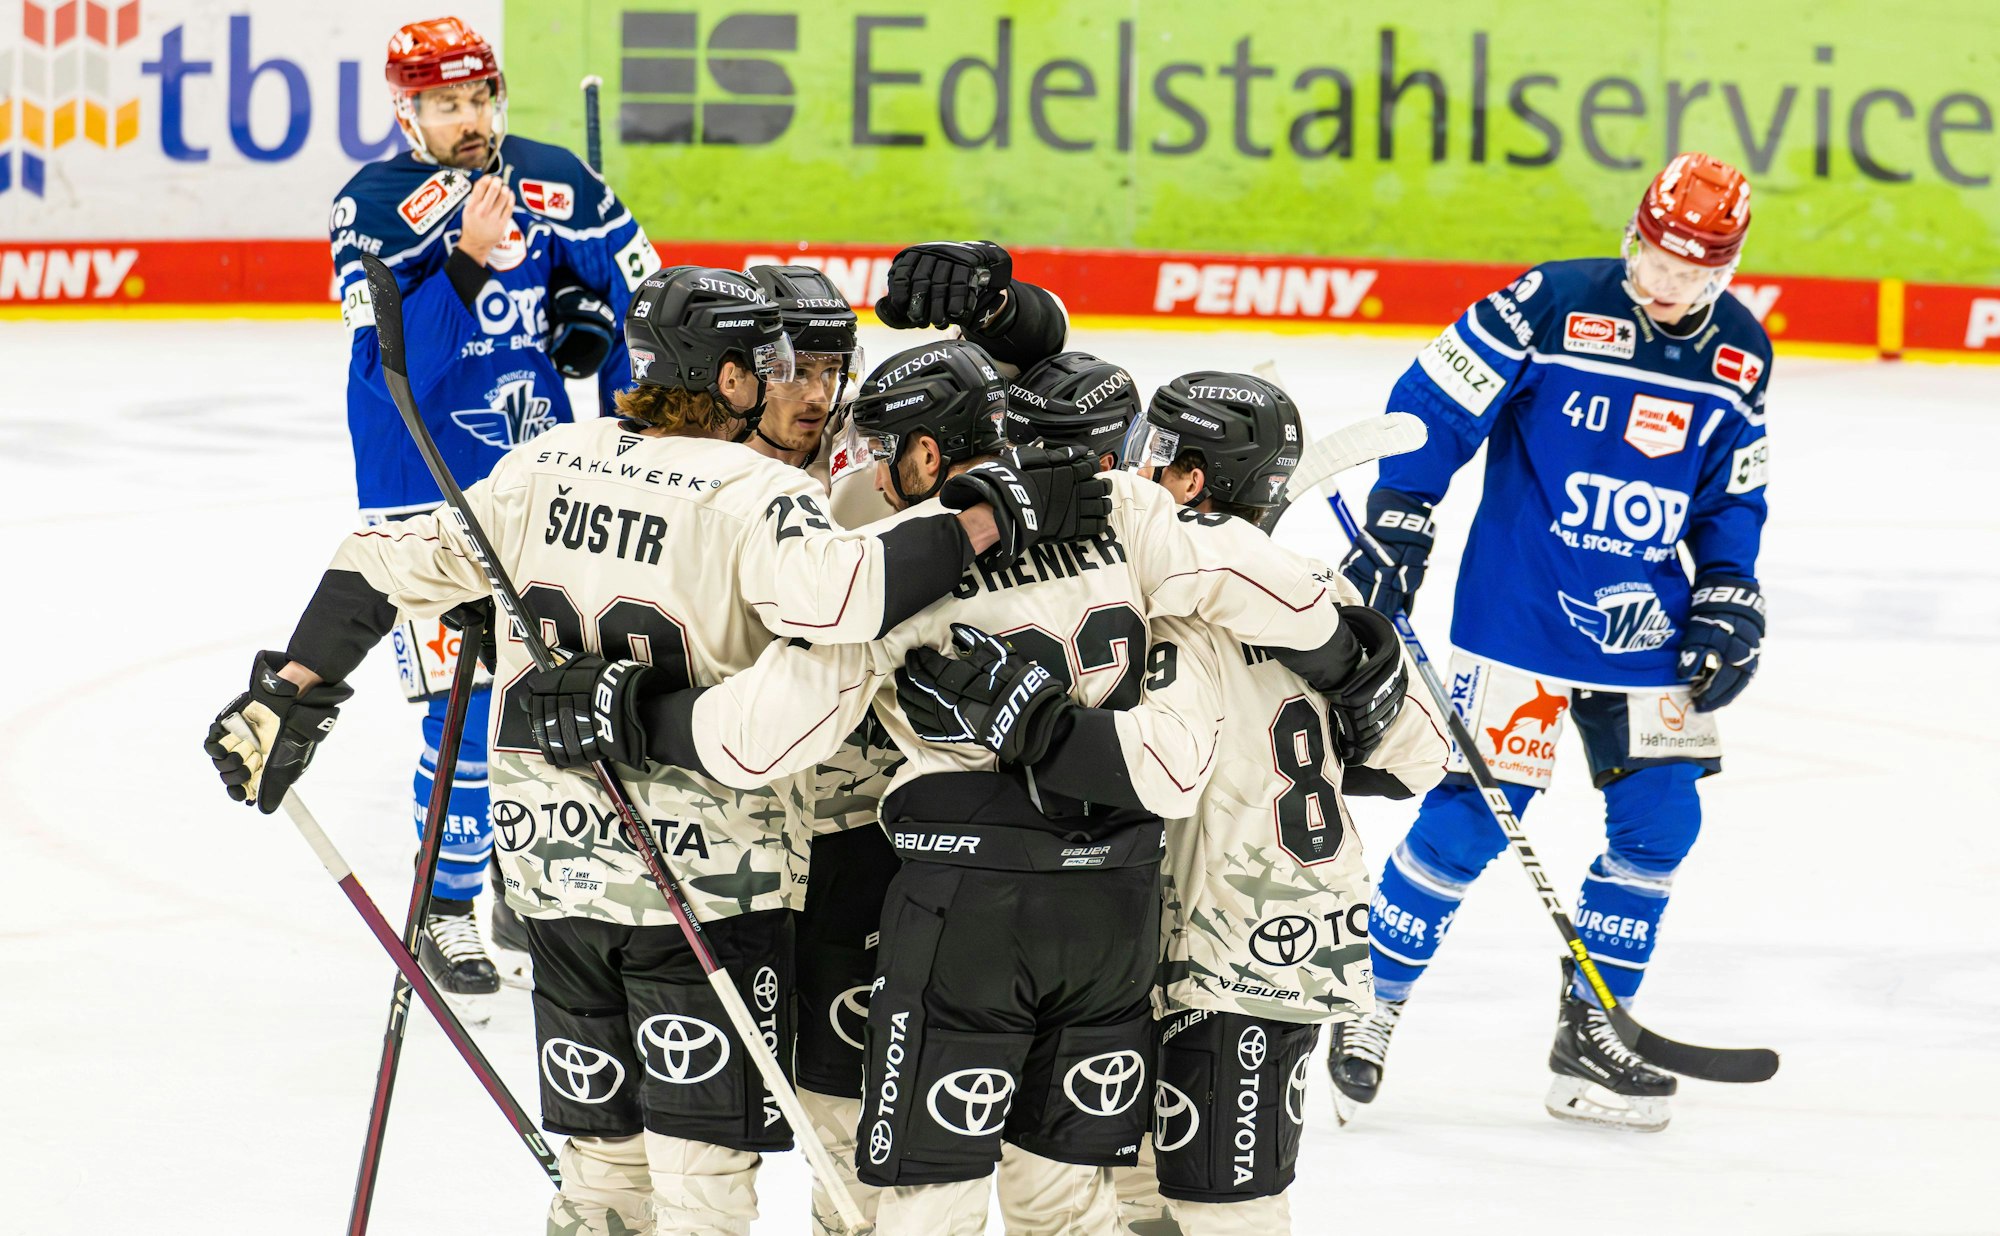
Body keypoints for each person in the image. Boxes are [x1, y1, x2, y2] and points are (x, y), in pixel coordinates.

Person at [203, 266, 1109, 1236]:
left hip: (557, 863)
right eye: (772, 363)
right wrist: (986, 517)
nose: (794, 385)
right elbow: (849, 596)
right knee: (706, 1186)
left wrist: (291, 694)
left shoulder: (544, 463)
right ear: (727, 378)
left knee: (601, 1182)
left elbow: (378, 558)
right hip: (711, 873)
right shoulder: (756, 491)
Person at [517, 341, 1401, 1235]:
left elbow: (759, 740)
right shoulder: (1123, 504)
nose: (863, 468)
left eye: (879, 449)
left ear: (927, 456)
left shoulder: (892, 564)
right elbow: (1275, 605)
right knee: (1067, 1207)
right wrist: (1352, 663)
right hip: (1114, 913)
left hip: (964, 914)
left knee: (923, 1203)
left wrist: (625, 712)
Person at [923, 372, 1448, 1234]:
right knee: (1176, 1202)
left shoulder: (1165, 597)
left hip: (1211, 944)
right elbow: (1418, 757)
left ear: (1191, 480)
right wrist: (1361, 661)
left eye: (1151, 452)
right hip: (1263, 937)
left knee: (1206, 1209)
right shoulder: (1311, 585)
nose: (1127, 463)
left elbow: (1158, 762)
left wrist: (1023, 714)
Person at [1332, 152, 1772, 1132]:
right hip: (1519, 619)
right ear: (1633, 236)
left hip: (1647, 633)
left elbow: (1731, 493)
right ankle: (1371, 1001)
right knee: (1477, 814)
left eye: (1692, 276)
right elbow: (1432, 402)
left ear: (1727, 273)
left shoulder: (1740, 353)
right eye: (1654, 262)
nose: (1666, 289)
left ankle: (1591, 1036)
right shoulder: (1546, 301)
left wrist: (1729, 589)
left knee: (1661, 826)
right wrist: (1399, 511)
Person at [746, 248, 1080, 1236]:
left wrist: (998, 307)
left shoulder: (871, 442)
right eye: (786, 369)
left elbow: (1042, 364)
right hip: (751, 836)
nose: (814, 394)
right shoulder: (702, 481)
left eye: (827, 366)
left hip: (881, 828)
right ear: (729, 371)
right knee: (791, 1115)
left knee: (876, 1104)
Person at [330, 15, 660, 994]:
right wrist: (466, 263)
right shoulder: (375, 204)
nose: (468, 118)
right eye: (444, 103)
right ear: (407, 112)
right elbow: (397, 365)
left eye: (478, 97)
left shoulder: (557, 178)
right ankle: (444, 908)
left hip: (544, 490)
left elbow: (649, 316)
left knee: (554, 700)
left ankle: (525, 885)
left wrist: (595, 327)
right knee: (464, 714)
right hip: (421, 497)